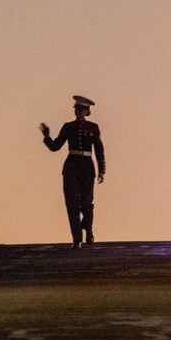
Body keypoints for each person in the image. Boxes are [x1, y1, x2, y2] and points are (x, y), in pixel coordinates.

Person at [40, 95, 106, 249]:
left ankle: (88, 228)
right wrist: (47, 136)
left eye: (82, 109)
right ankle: (77, 239)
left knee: (87, 204)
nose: (79, 112)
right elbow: (55, 147)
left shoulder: (93, 127)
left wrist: (102, 170)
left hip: (87, 168)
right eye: (77, 109)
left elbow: (99, 149)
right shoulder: (68, 127)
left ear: (87, 111)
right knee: (72, 204)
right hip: (71, 168)